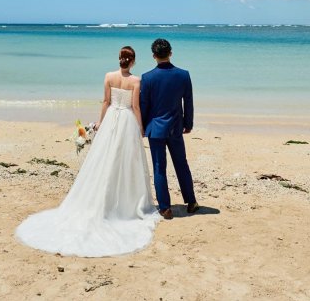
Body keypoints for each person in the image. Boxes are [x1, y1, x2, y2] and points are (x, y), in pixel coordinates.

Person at [14, 46, 159, 257]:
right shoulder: (136, 81)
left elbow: (106, 102)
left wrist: (100, 122)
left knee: (104, 158)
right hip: (126, 120)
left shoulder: (109, 76)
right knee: (126, 161)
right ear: (133, 61)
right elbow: (135, 107)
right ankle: (125, 204)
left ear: (119, 59)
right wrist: (141, 127)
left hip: (111, 118)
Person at [140, 38, 199, 219]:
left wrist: (142, 127)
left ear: (154, 56)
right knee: (181, 164)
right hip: (175, 127)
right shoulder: (183, 75)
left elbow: (144, 106)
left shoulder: (147, 78)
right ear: (171, 53)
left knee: (159, 167)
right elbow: (188, 102)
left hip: (155, 129)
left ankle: (165, 208)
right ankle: (191, 202)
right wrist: (188, 124)